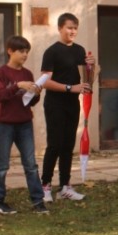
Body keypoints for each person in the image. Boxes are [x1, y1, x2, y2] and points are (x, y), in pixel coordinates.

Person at [0, 35, 48, 214]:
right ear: (10, 51)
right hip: (5, 125)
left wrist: (36, 93)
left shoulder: (28, 74)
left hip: (24, 124)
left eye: (27, 52)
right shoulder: (1, 72)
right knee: (2, 165)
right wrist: (17, 86)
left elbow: (29, 102)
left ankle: (38, 201)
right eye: (21, 51)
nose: (25, 55)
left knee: (31, 164)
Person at [40, 13, 95, 202]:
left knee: (68, 145)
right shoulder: (52, 51)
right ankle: (45, 186)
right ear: (60, 28)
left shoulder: (80, 50)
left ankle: (65, 186)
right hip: (55, 104)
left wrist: (91, 67)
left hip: (73, 104)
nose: (72, 31)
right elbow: (45, 81)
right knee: (54, 144)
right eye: (69, 27)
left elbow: (88, 80)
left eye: (75, 28)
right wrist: (71, 88)